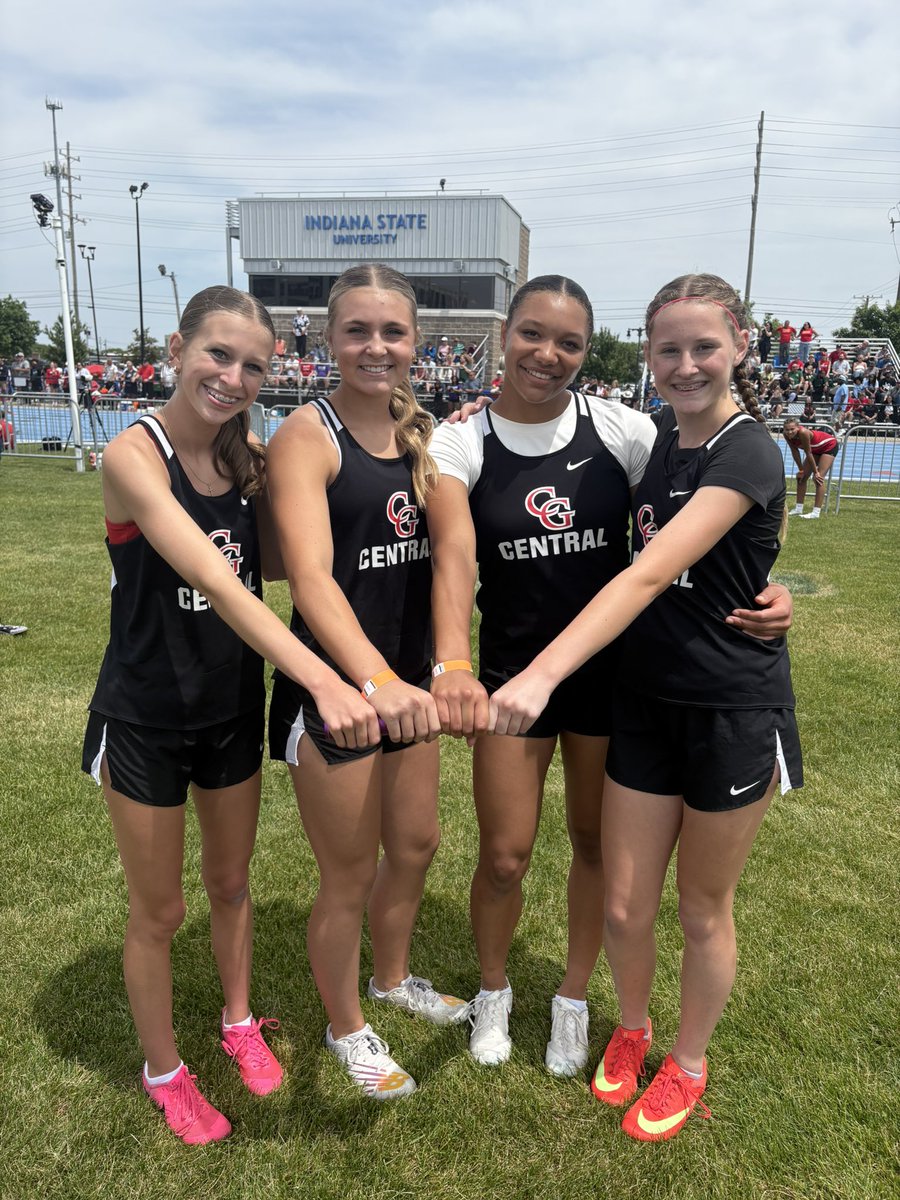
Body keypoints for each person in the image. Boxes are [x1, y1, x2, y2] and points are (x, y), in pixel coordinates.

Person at [426, 275, 794, 1079]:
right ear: (504, 336)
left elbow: (678, 550)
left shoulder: (627, 430)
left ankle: (573, 999)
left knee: (595, 846)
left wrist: (770, 584)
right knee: (505, 856)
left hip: (611, 678)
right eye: (531, 334)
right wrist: (455, 662)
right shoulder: (465, 440)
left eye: (569, 342)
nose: (546, 355)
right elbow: (453, 557)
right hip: (511, 678)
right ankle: (494, 992)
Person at [81, 285, 379, 1145]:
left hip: (226, 710)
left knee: (232, 883)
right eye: (218, 354)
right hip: (142, 716)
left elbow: (301, 561)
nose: (233, 375)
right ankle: (163, 1070)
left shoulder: (246, 460)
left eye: (254, 365)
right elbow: (215, 579)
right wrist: (322, 680)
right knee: (161, 911)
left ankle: (239, 1021)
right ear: (178, 348)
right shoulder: (133, 456)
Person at [265, 264, 468, 1102]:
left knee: (414, 845)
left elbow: (456, 551)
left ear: (417, 343)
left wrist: (429, 672)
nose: (375, 347)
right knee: (346, 874)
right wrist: (375, 679)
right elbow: (310, 579)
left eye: (392, 332)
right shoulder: (305, 437)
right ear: (327, 338)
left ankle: (391, 980)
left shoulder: (423, 435)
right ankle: (346, 1026)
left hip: (407, 687)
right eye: (357, 331)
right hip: (337, 694)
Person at [782, 417, 838, 519]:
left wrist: (816, 472)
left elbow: (808, 453)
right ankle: (798, 509)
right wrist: (801, 470)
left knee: (818, 478)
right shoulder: (786, 435)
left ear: (798, 428)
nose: (789, 432)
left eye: (792, 429)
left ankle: (816, 513)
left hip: (828, 446)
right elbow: (794, 451)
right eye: (787, 430)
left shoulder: (803, 433)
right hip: (815, 450)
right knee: (801, 478)